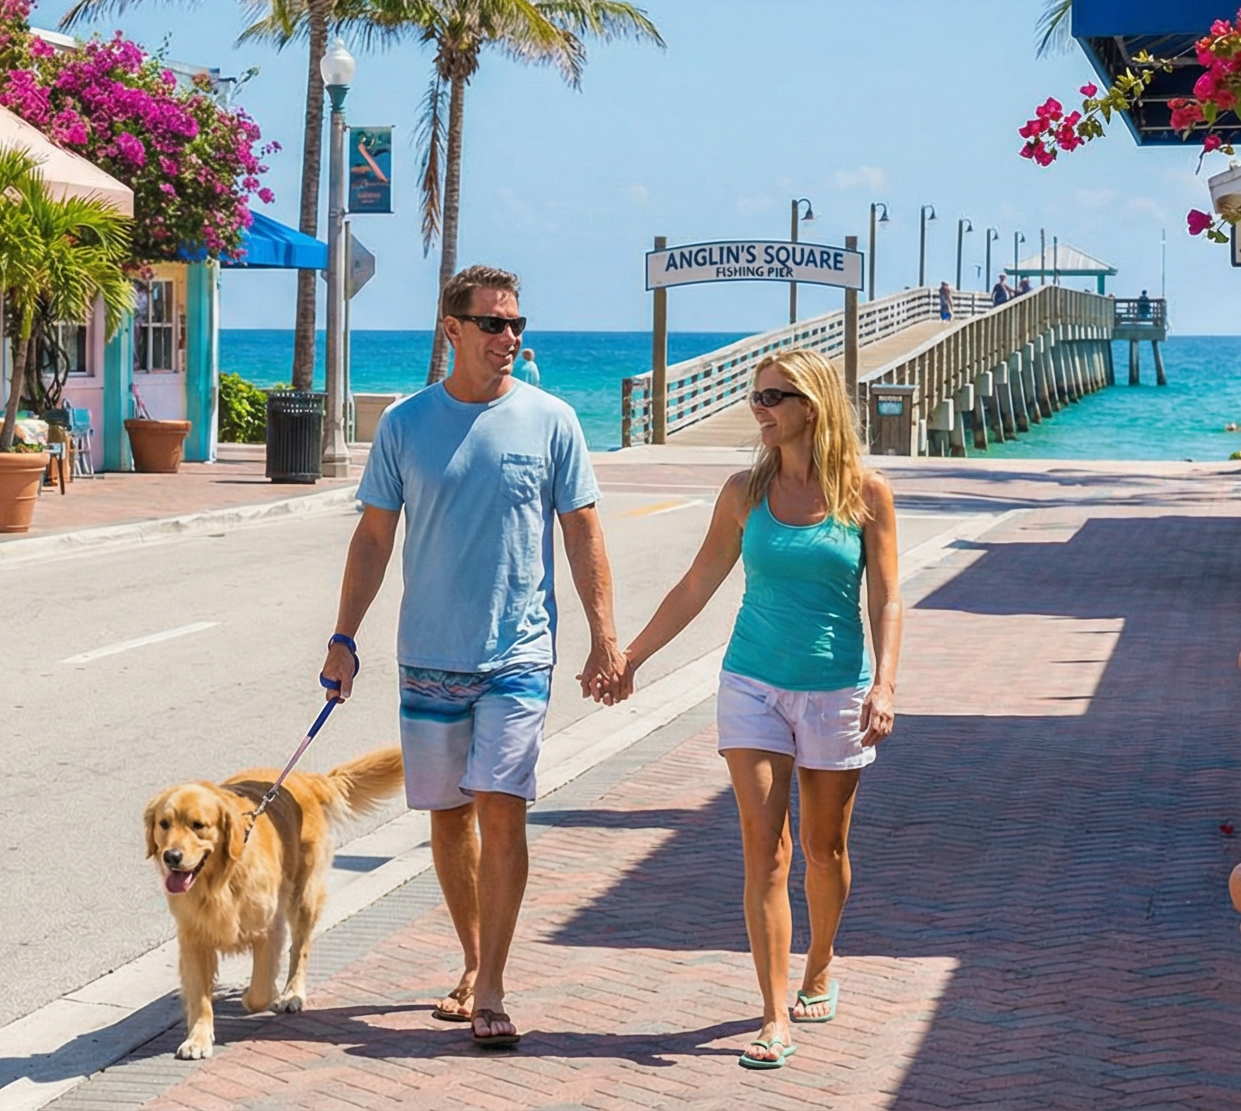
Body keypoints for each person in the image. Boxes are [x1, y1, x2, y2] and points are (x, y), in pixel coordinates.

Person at [320, 264, 620, 1052]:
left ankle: (491, 985)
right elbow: (375, 539)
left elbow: (582, 531)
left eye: (516, 323)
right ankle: (469, 958)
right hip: (429, 655)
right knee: (448, 818)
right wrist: (343, 638)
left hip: (519, 654)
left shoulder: (552, 420)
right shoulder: (406, 425)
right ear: (451, 329)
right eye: (493, 323)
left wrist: (604, 636)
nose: (508, 337)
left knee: (501, 805)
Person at [598, 346, 902, 1072]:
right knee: (766, 852)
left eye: (771, 398)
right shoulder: (743, 491)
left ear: (811, 406)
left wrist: (885, 685)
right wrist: (632, 657)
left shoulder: (866, 491)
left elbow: (887, 597)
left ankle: (819, 965)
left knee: (824, 851)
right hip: (752, 684)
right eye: (756, 397)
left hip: (836, 688)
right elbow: (697, 584)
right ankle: (772, 1017)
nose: (758, 410)